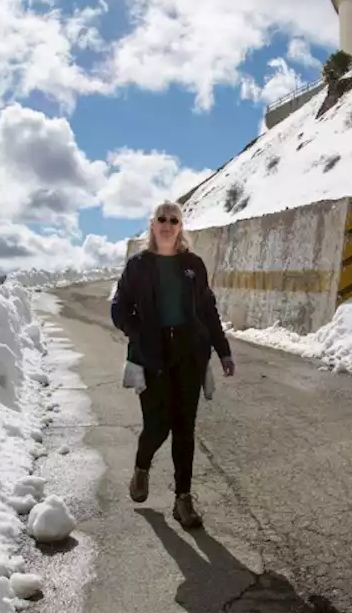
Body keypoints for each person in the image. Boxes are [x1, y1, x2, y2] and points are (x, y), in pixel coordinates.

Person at [110, 200, 236, 529]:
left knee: (184, 426)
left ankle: (183, 499)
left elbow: (207, 309)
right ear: (152, 225)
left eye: (174, 220)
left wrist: (222, 350)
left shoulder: (193, 264)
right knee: (158, 423)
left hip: (189, 351)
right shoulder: (138, 265)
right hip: (151, 353)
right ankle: (142, 466)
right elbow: (119, 308)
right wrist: (139, 335)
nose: (167, 224)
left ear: (180, 227)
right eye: (162, 219)